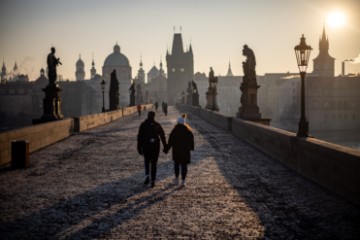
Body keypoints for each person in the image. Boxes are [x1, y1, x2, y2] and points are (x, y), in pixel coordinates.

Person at [137, 111, 167, 187]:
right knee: (154, 163)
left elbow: (139, 137)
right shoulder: (157, 125)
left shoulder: (143, 125)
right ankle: (153, 180)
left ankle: (147, 175)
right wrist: (165, 146)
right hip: (155, 146)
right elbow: (162, 136)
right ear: (154, 116)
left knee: (147, 161)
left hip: (146, 146)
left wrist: (139, 147)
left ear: (148, 116)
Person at [164, 115, 194, 188]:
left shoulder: (175, 130)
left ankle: (177, 179)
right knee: (184, 165)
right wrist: (191, 148)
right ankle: (183, 181)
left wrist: (167, 149)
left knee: (176, 164)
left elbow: (170, 140)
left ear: (178, 122)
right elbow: (191, 140)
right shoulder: (188, 130)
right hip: (185, 150)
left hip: (177, 150)